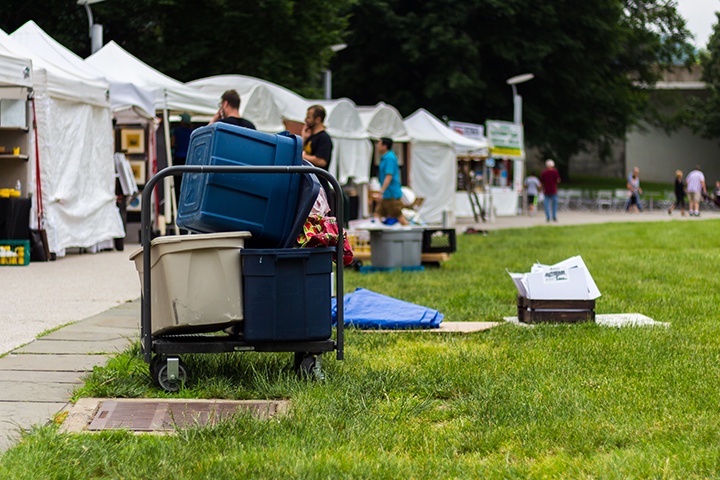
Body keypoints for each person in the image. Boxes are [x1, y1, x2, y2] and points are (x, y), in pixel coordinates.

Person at [302, 105, 335, 212]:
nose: (306, 120)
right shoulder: (311, 137)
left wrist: (304, 156)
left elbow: (322, 161)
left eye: (309, 117)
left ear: (318, 119)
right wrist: (304, 138)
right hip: (311, 186)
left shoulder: (324, 138)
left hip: (320, 187)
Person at [373, 137, 408, 225]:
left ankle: (411, 235)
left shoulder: (390, 158)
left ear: (385, 146)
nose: (377, 146)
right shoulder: (385, 158)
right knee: (377, 214)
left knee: (398, 215)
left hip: (391, 194)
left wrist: (381, 191)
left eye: (379, 144)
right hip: (387, 194)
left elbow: (389, 176)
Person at [170, 113, 193, 204]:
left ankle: (177, 203)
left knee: (178, 184)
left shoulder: (176, 131)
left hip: (179, 159)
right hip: (190, 160)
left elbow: (172, 143)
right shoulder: (193, 132)